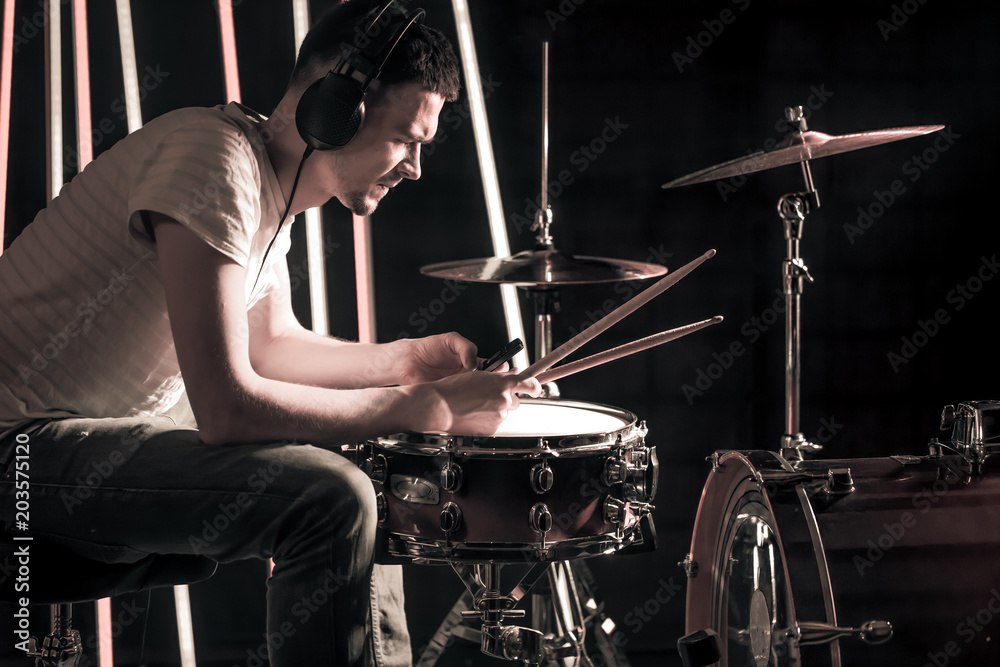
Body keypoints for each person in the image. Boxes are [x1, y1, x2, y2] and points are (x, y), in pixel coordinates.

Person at [0, 1, 540, 665]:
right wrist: (417, 409)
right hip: (19, 452)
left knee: (366, 466)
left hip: (76, 434)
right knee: (334, 497)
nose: (414, 167)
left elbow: (269, 347)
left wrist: (408, 363)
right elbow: (227, 407)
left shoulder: (261, 183)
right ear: (339, 105)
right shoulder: (214, 161)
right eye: (407, 139)